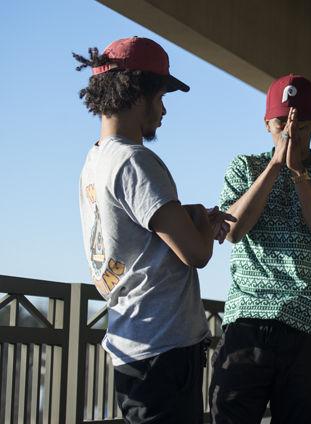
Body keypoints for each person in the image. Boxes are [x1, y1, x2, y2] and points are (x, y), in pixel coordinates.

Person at [75, 36, 233, 424]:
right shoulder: (136, 161)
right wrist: (200, 222)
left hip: (130, 344)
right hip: (165, 350)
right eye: (160, 96)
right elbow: (196, 254)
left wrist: (187, 213)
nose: (163, 110)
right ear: (135, 92)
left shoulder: (94, 161)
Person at [209, 74, 311, 424]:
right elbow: (231, 230)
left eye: (302, 126)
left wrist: (299, 175)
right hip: (249, 319)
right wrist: (275, 166)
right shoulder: (244, 167)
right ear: (267, 124)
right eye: (281, 125)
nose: (291, 135)